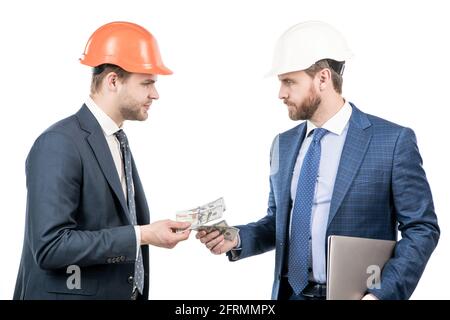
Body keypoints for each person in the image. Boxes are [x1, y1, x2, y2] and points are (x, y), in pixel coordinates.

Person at [196, 21, 440, 300]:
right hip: (289, 295)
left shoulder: (392, 141)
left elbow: (422, 229)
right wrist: (236, 238)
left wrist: (380, 295)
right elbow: (278, 222)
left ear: (323, 78)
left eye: (289, 82)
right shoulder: (283, 144)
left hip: (356, 295)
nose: (281, 94)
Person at [13, 21, 191, 300]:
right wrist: (142, 235)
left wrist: (146, 233)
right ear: (113, 81)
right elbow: (51, 247)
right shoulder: (59, 143)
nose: (155, 94)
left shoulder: (116, 139)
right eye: (147, 83)